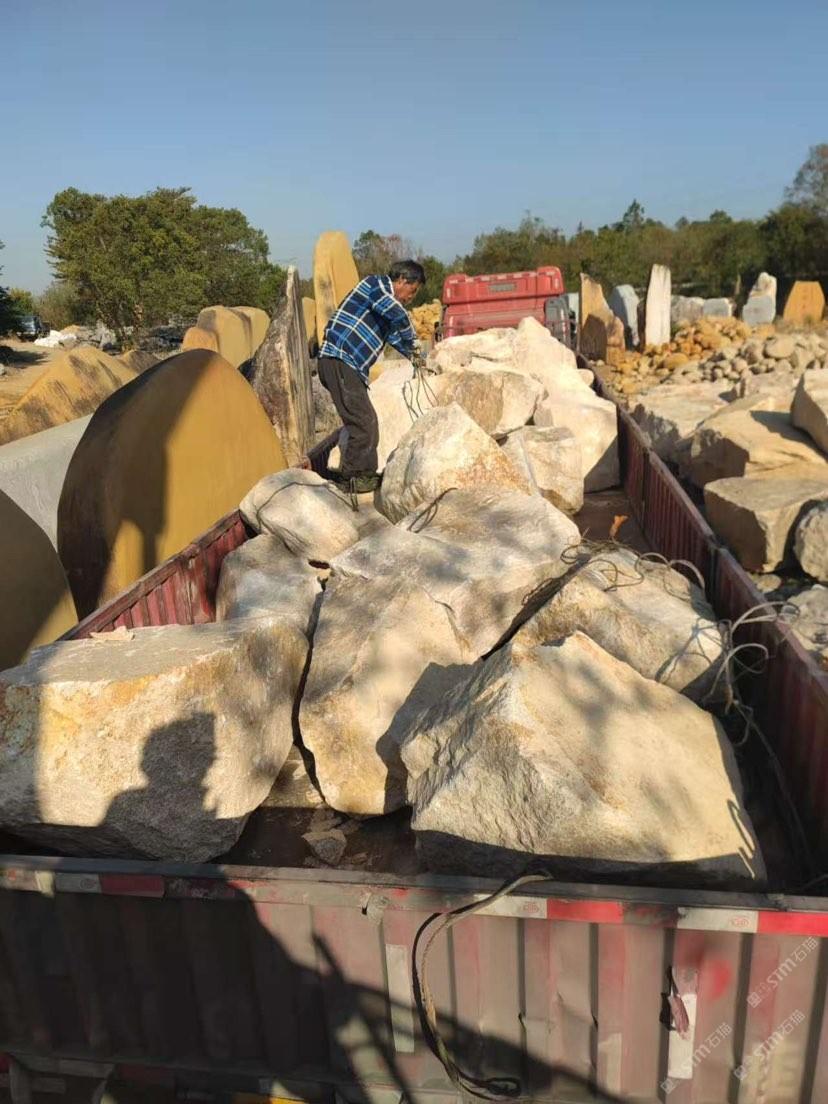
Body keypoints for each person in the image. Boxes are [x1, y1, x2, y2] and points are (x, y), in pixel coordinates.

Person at [318, 259, 427, 494]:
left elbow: (397, 339)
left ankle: (358, 477)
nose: (411, 298)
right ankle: (355, 479)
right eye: (413, 291)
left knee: (363, 419)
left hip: (350, 367)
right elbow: (398, 315)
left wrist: (419, 358)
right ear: (402, 280)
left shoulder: (386, 310)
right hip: (340, 359)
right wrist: (413, 339)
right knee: (364, 421)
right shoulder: (374, 286)